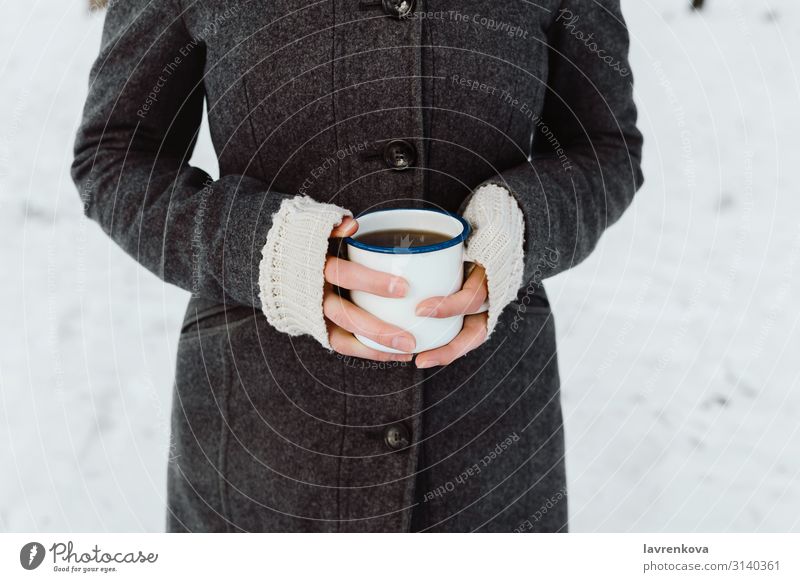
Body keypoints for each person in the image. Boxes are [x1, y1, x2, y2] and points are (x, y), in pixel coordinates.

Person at [72, 0, 643, 532]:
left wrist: (523, 225)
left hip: (490, 444)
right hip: (261, 447)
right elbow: (115, 156)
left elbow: (605, 148)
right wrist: (261, 248)